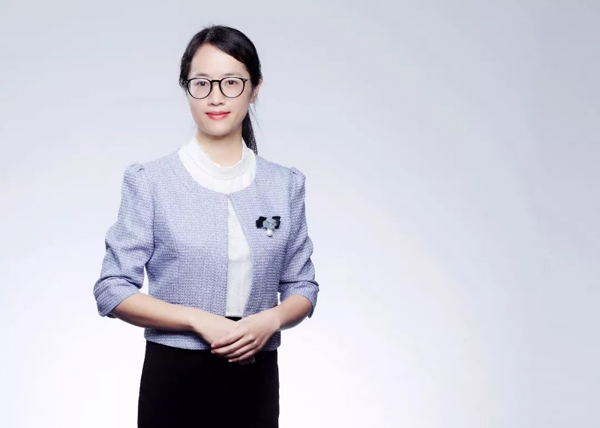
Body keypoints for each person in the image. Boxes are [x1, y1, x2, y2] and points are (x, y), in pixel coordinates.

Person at [92, 25, 320, 428]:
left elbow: (302, 285)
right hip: (174, 377)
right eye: (202, 83)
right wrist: (198, 319)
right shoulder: (151, 181)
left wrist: (269, 320)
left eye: (231, 82)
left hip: (256, 378)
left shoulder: (284, 185)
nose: (216, 96)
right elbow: (112, 289)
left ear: (255, 88)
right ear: (187, 89)